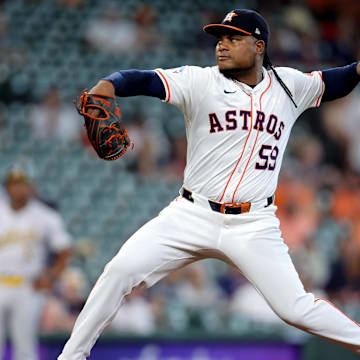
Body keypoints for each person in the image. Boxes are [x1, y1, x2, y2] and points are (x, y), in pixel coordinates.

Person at [58, 9, 360, 360]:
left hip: (253, 224)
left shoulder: (289, 85)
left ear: (258, 45)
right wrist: (106, 86)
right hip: (191, 214)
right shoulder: (200, 81)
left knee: (294, 307)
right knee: (120, 271)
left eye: (233, 38)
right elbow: (142, 79)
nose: (222, 46)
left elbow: (337, 81)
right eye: (220, 39)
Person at [0, 165, 71, 360]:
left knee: (24, 345)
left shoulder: (44, 215)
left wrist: (52, 275)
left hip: (27, 285)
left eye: (23, 184)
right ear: (7, 187)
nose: (19, 189)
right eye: (15, 184)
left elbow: (64, 249)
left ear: (31, 186)